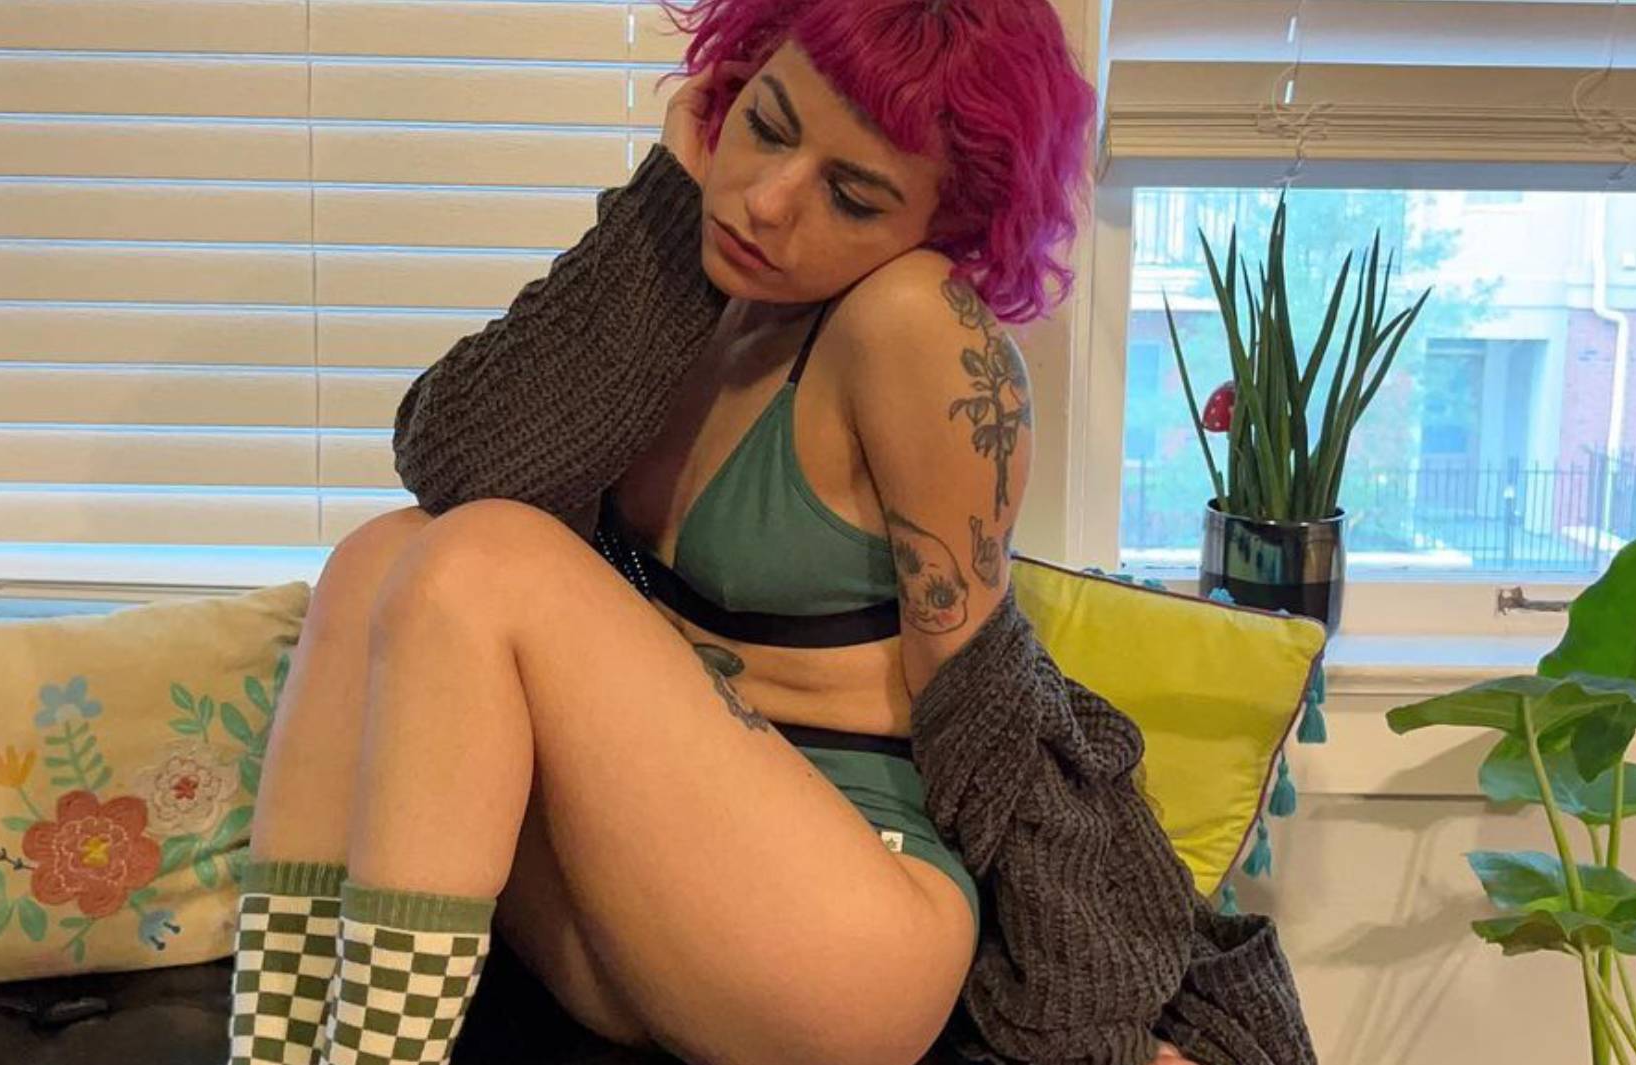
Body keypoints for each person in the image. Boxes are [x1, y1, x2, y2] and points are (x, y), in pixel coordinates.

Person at [230, 3, 1301, 1064]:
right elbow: (457, 467)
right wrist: (663, 211)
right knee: (381, 556)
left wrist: (1104, 1003)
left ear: (942, 224)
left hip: (848, 918)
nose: (768, 200)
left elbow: (985, 709)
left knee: (481, 561)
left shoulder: (910, 322)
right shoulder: (688, 290)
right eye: (766, 124)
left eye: (851, 195)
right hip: (652, 895)